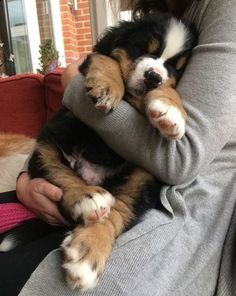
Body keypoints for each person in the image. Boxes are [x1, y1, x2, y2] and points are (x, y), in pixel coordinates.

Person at [8, 0, 236, 295]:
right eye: (146, 52)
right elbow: (59, 134)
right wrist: (27, 180)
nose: (158, 71)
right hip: (81, 187)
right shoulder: (161, 18)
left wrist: (74, 83)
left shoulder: (225, 10)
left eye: (172, 69)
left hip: (182, 214)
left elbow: (181, 158)